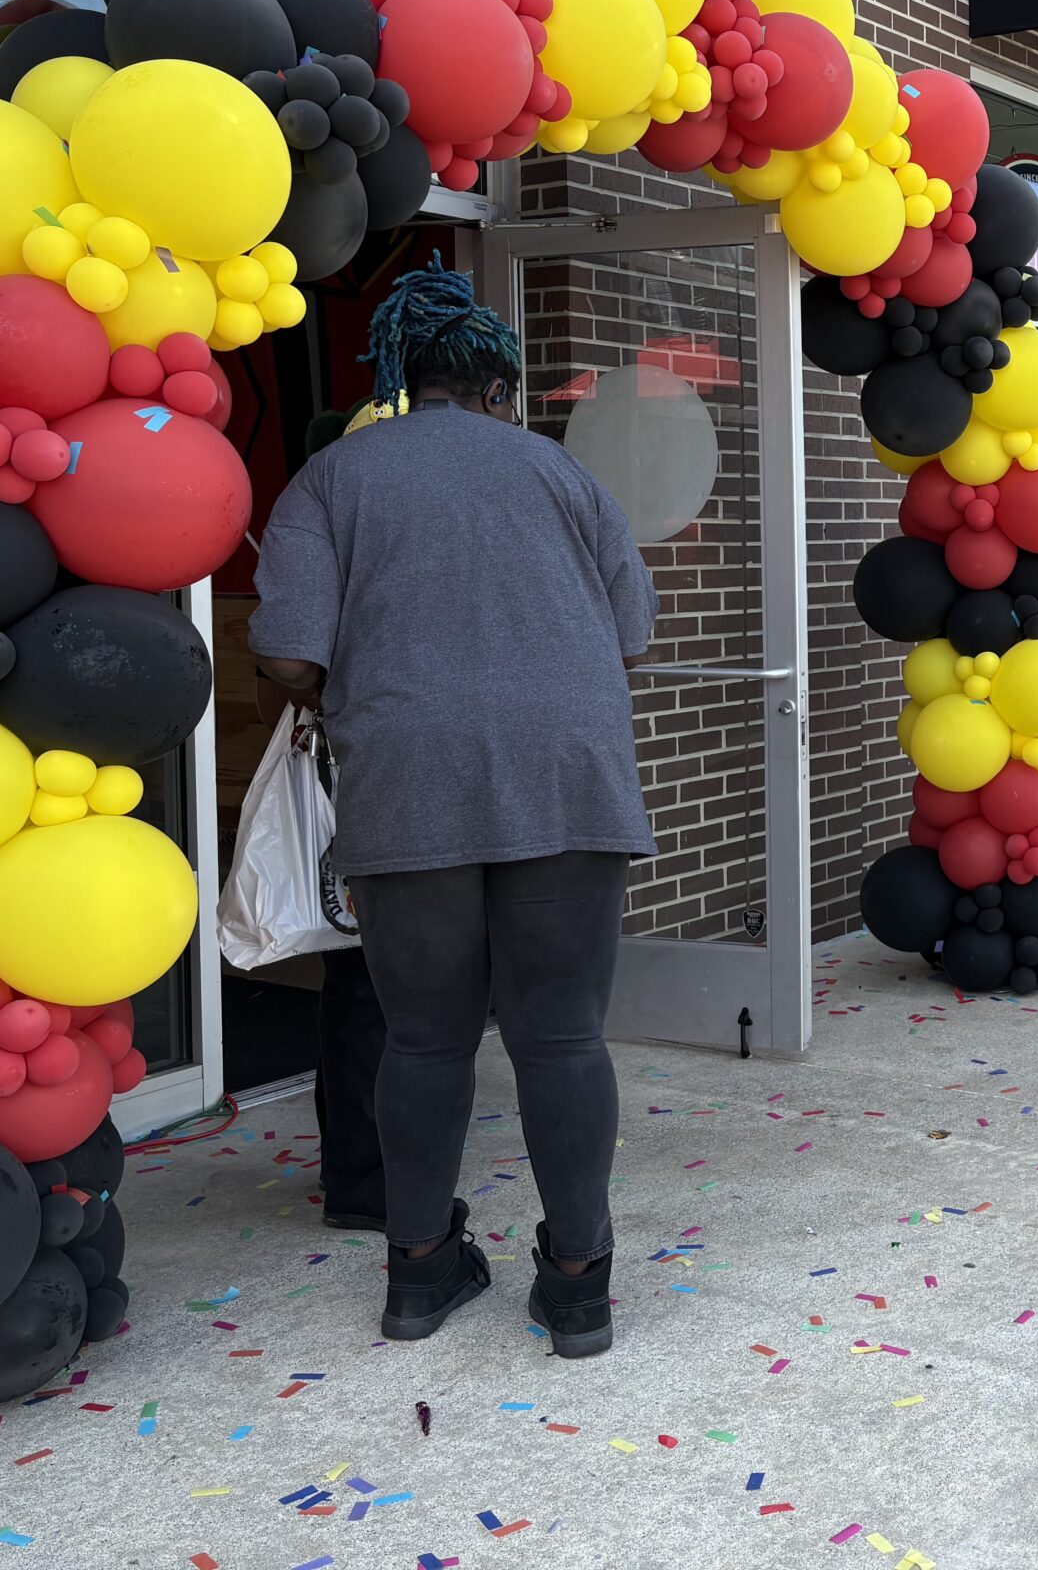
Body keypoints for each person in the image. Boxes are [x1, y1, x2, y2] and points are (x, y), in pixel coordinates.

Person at [250, 263, 657, 1359]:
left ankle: (418, 1277)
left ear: (399, 378)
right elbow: (630, 637)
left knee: (423, 1041)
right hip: (567, 778)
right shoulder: (566, 479)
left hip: (407, 776)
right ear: (501, 389)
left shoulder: (333, 478)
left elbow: (288, 651)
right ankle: (578, 1285)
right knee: (562, 1035)